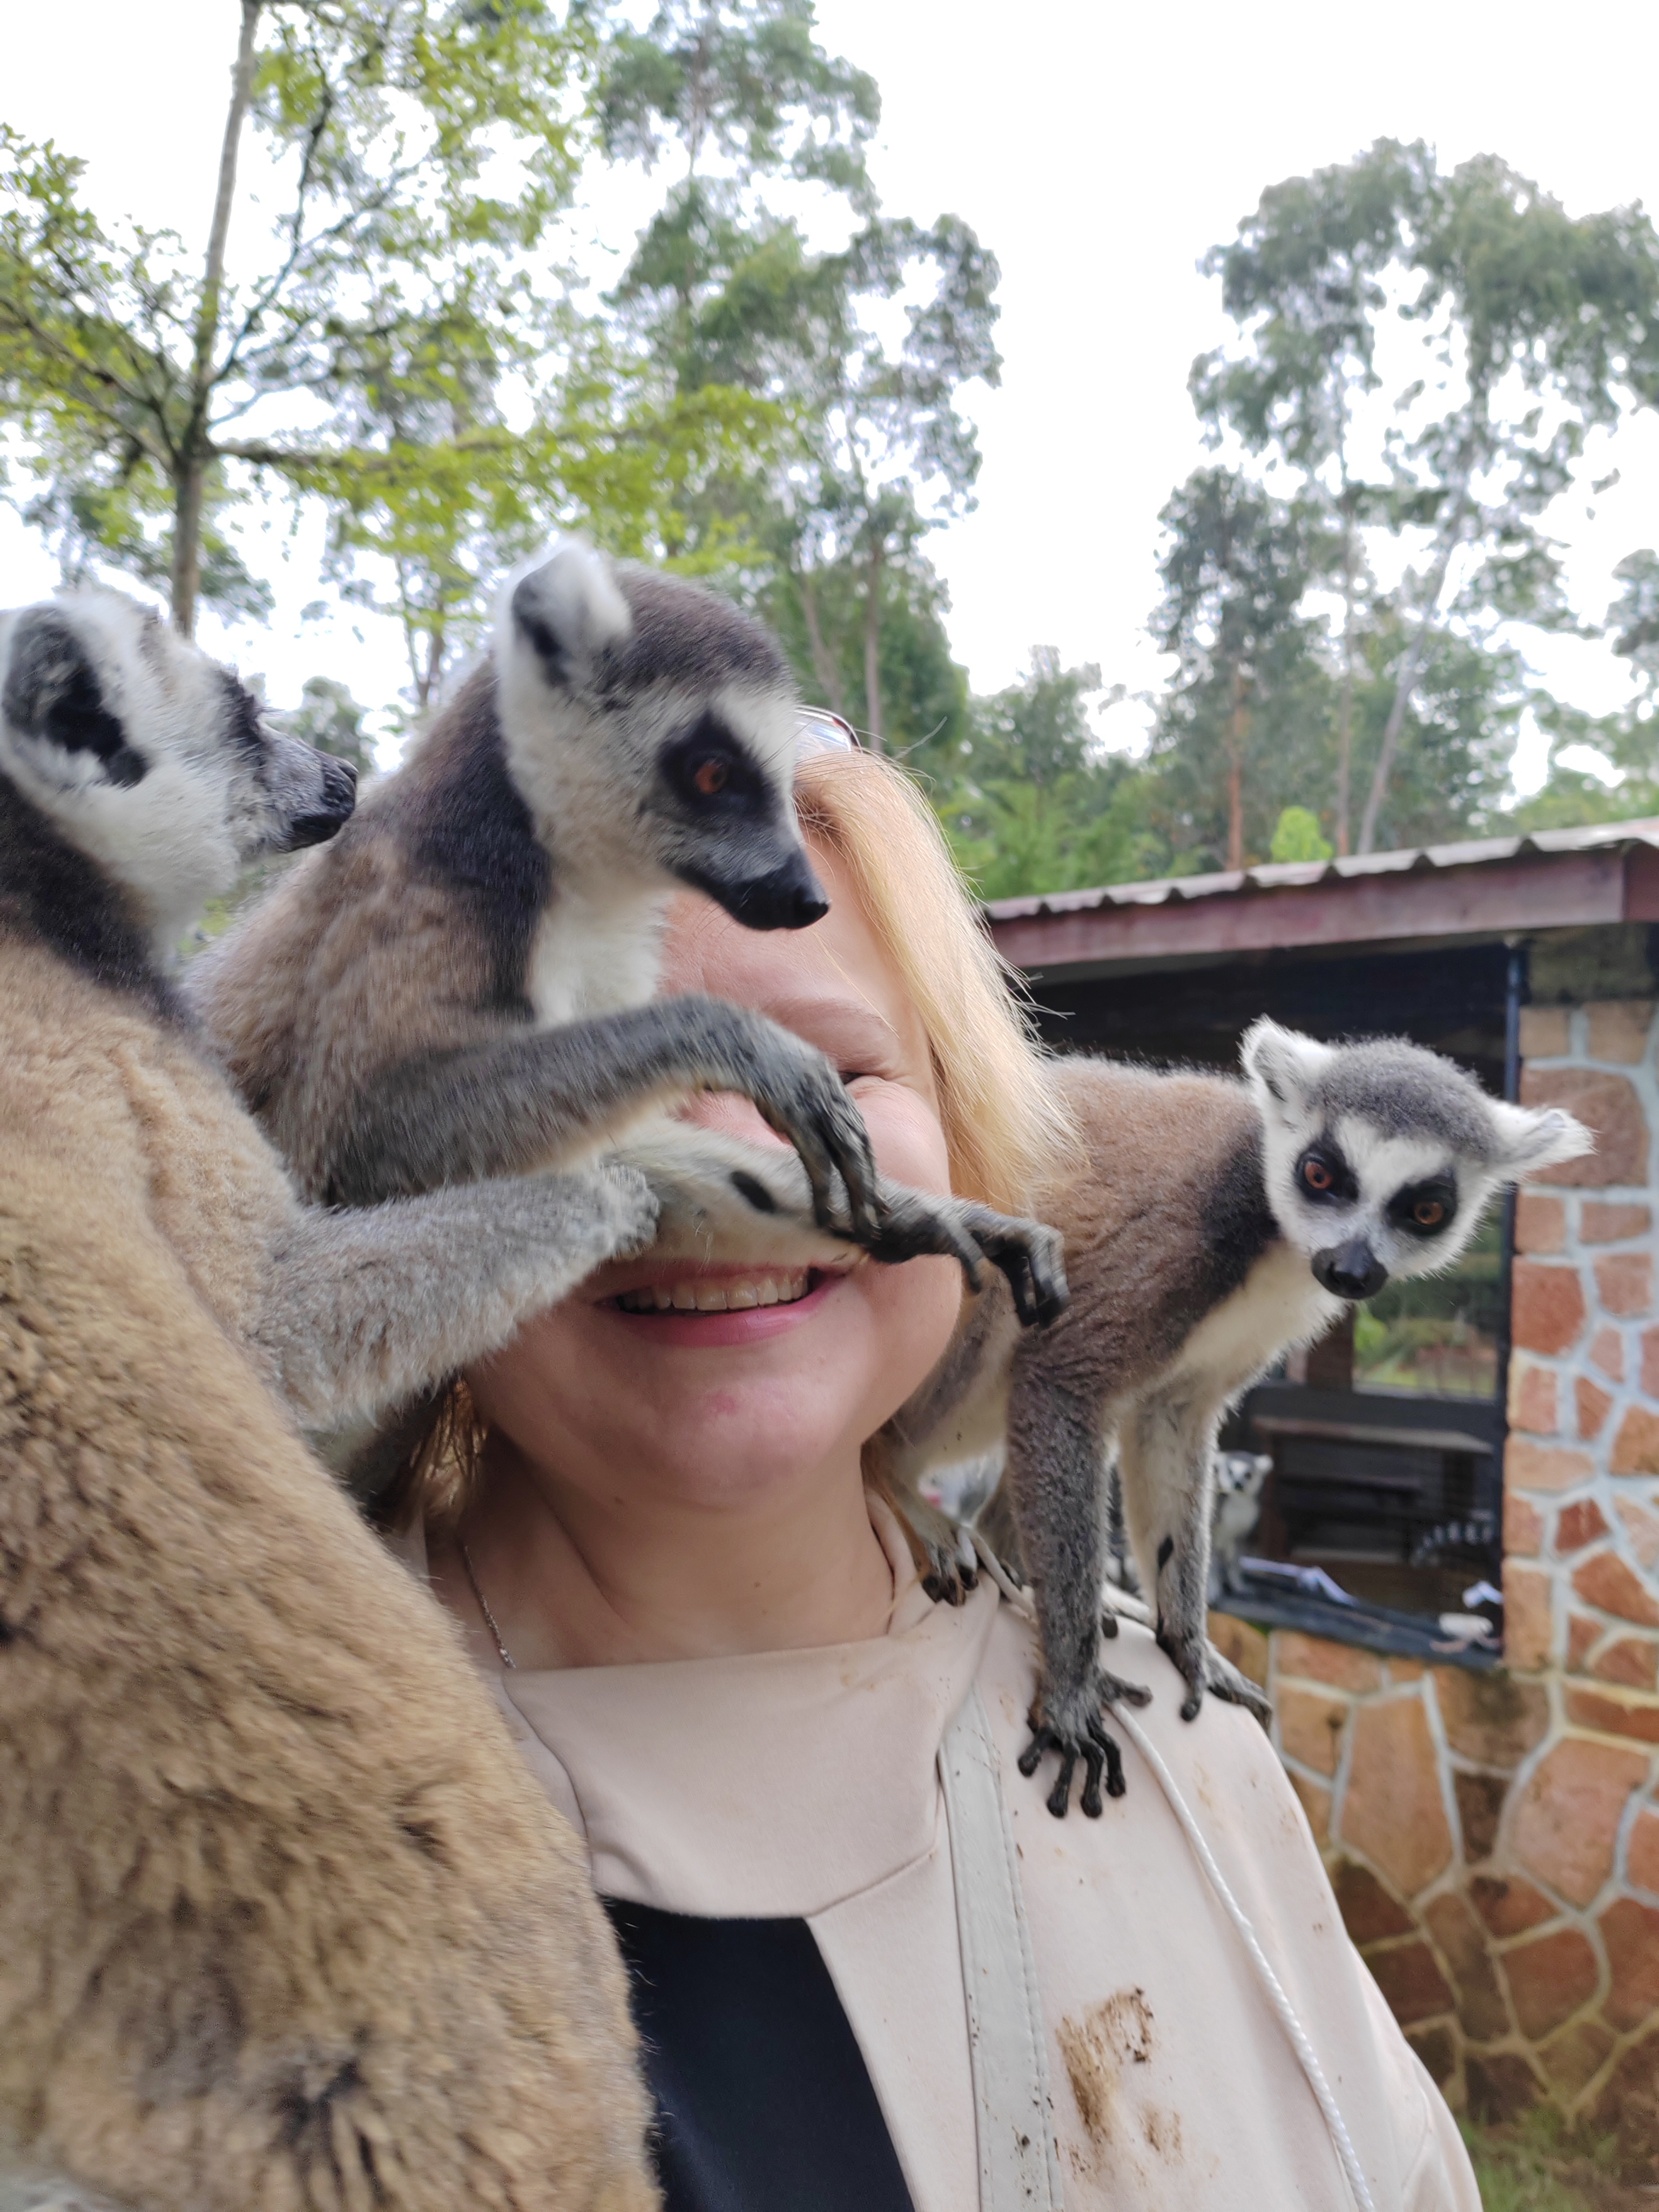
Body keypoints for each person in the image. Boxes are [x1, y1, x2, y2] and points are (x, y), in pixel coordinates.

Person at [386, 733, 1480, 2212]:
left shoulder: (1200, 1765)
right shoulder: (229, 1778)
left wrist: (1160, 1653)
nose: (737, 1170)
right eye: (596, 1063)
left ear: (975, 1145)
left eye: (832, 1070)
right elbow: (1071, 1392)